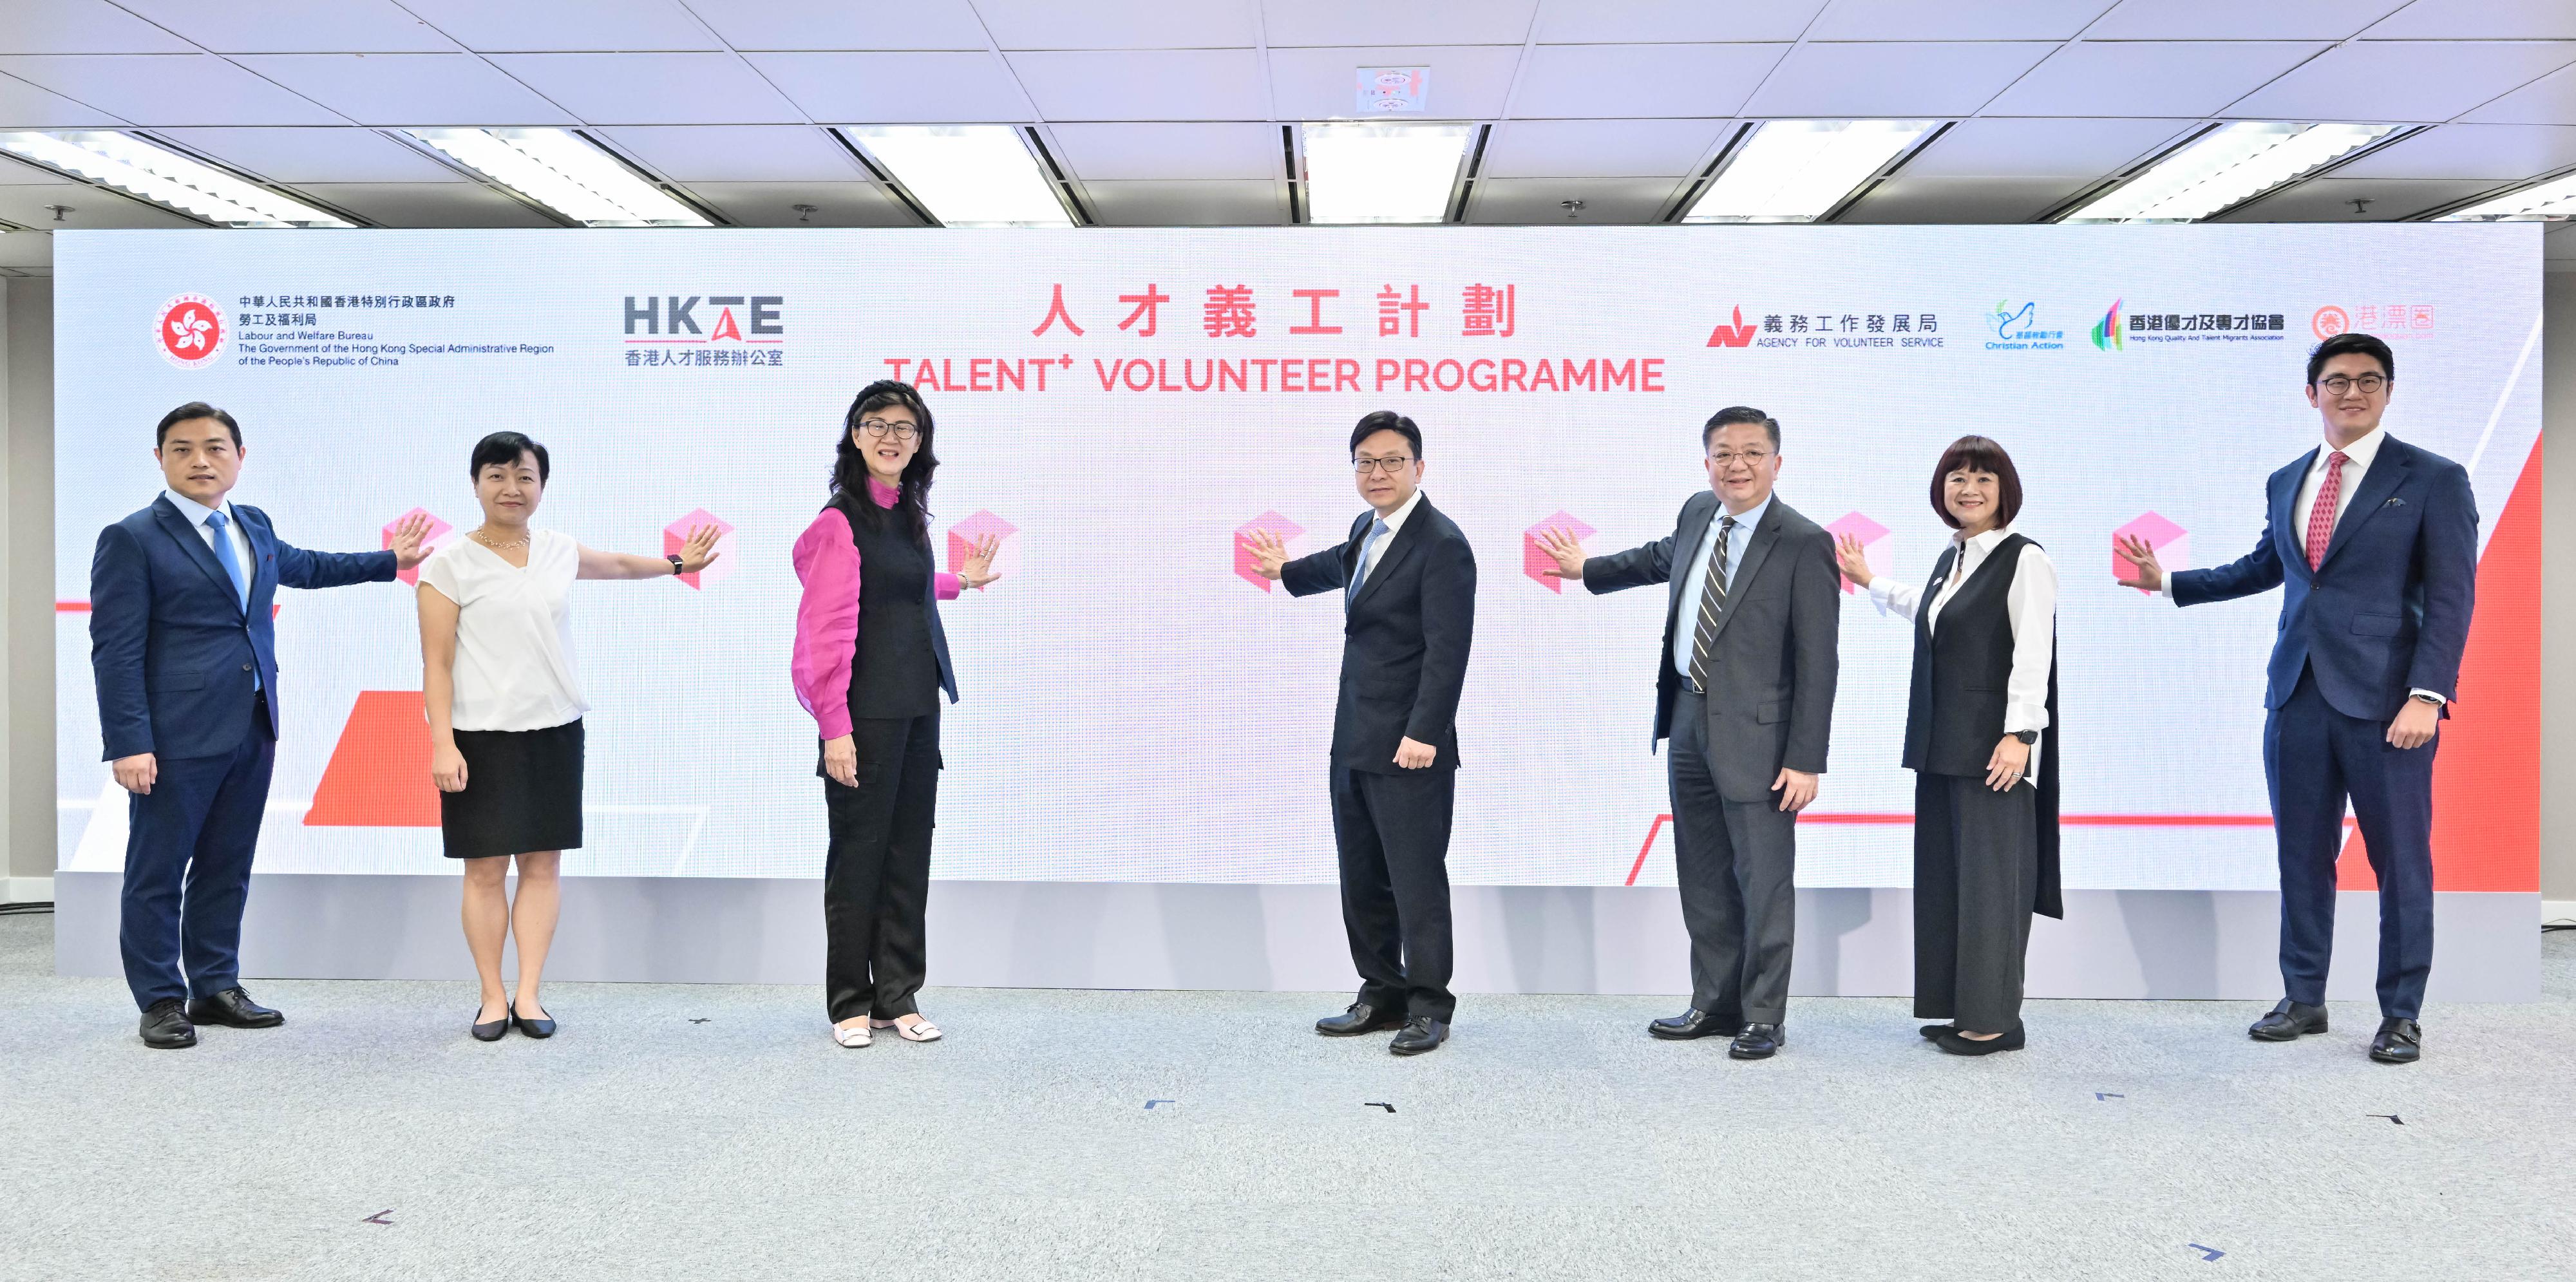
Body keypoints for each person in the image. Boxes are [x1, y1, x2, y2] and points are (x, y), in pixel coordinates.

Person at [2116, 332, 2474, 1065]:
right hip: (2296, 694)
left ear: (2387, 392)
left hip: (2387, 706)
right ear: (2311, 393)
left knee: (2400, 861)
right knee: (2299, 855)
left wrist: (2428, 694)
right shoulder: (2288, 478)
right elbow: (2265, 566)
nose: (2352, 392)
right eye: (2336, 380)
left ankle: (2400, 1013)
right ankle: (2302, 995)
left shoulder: (2434, 478)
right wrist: (2170, 582)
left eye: (2368, 380)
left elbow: (2450, 598)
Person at [91, 402, 431, 1050]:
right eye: (183, 448)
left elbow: (304, 566)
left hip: (252, 723)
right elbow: (115, 649)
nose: (200, 460)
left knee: (227, 864)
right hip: (173, 735)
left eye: (216, 448)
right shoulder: (132, 537)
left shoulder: (251, 523)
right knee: (156, 871)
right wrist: (129, 741)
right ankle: (161, 998)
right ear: (159, 458)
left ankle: (214, 984)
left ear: (239, 459)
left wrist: (389, 560)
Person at [1535, 406, 1838, 1060]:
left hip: (1763, 742)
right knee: (1701, 873)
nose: (1737, 465)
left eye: (1752, 452)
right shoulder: (1699, 512)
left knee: (1763, 881)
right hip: (1687, 720)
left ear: (1777, 463)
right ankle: (1715, 1000)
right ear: (1707, 462)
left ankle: (1762, 1015)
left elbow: (1819, 660)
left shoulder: (1802, 541)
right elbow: (1657, 560)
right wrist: (1586, 570)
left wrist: (1806, 758)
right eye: (1723, 453)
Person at [417, 431, 721, 1042]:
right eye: (497, 475)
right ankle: (491, 996)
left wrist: (678, 563)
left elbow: (615, 564)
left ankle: (528, 993)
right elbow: (437, 664)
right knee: (483, 871)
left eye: (525, 476)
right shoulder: (447, 564)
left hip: (553, 730)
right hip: (479, 738)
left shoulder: (555, 548)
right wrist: (442, 743)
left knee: (542, 866)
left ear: (541, 487)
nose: (512, 488)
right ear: (475, 483)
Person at [1240, 411, 1477, 1056]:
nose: (1377, 472)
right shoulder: (1366, 527)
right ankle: (1381, 990)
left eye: (1392, 461)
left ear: (1419, 467)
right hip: (1354, 734)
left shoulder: (1442, 542)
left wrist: (1425, 729)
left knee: (1415, 878)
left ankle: (1429, 1005)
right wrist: (1285, 572)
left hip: (1410, 743)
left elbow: (1448, 648)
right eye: (1366, 462)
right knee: (1362, 872)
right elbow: (1345, 565)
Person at [1836, 436, 2062, 1056]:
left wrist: (2021, 735)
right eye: (1957, 477)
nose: (1969, 488)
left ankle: (1993, 1022)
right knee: (1948, 883)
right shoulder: (1953, 557)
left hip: (1995, 753)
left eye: (1983, 479)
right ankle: (1964, 1009)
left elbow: (2033, 653)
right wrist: (1871, 580)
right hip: (1942, 746)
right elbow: (1934, 609)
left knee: (1991, 887)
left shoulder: (2025, 558)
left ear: (2005, 490)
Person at [791, 382, 1000, 1050]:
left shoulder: (908, 512)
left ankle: (898, 996)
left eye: (905, 428)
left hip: (917, 708)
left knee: (909, 854)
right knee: (859, 859)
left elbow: (898, 586)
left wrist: (958, 581)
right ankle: (850, 1000)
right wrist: (834, 727)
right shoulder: (838, 522)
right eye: (876, 424)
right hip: (863, 716)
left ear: (920, 443)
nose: (891, 437)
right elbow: (822, 632)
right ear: (854, 435)